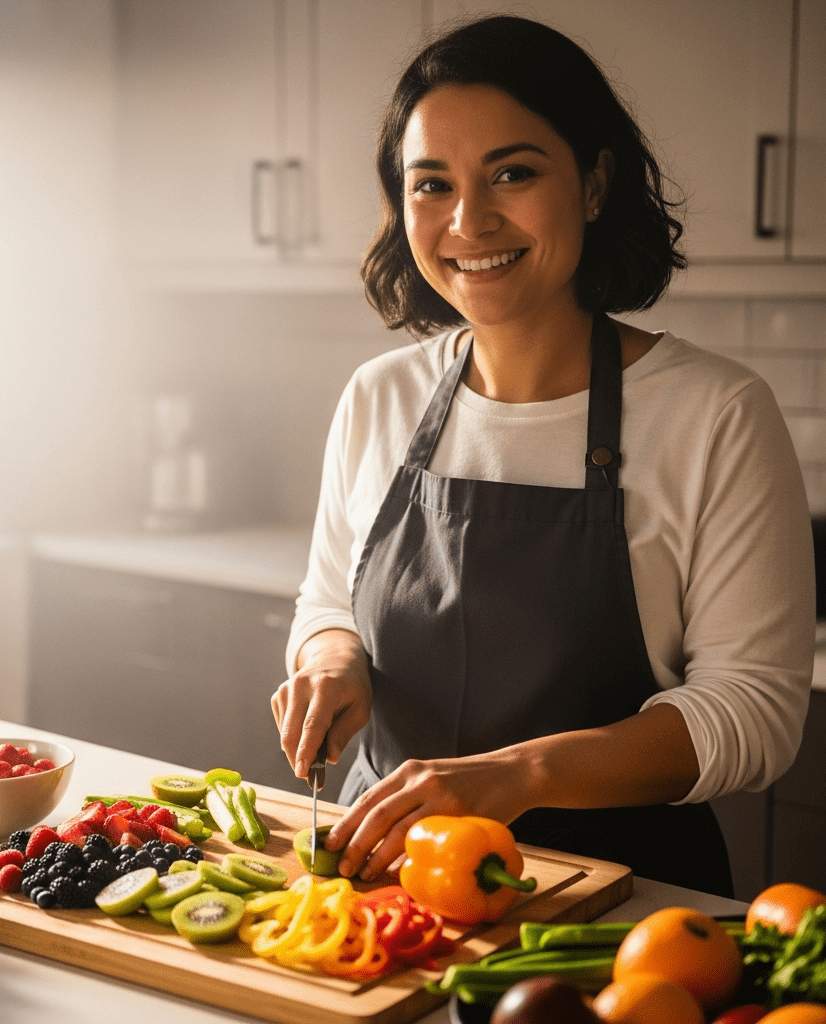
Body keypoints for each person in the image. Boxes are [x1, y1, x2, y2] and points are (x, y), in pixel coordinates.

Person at [271, 15, 816, 899]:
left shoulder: (715, 412)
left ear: (595, 184)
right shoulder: (380, 395)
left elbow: (755, 711)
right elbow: (329, 598)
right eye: (431, 184)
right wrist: (331, 660)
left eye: (513, 173)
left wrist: (516, 776)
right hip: (387, 888)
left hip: (620, 907)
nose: (468, 219)